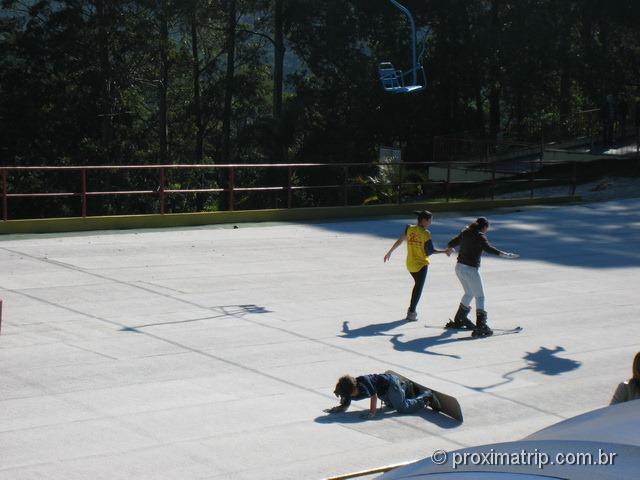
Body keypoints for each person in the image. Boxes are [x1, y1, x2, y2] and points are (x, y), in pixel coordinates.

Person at [444, 217, 515, 337]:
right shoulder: (480, 235)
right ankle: (481, 326)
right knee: (480, 296)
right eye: (487, 228)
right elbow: (488, 248)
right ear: (484, 227)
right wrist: (505, 254)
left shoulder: (465, 232)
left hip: (459, 268)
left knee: (469, 293)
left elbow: (452, 242)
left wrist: (449, 248)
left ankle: (459, 319)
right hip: (470, 270)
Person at [384, 210, 447, 321]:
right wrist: (445, 251)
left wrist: (390, 252)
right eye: (430, 221)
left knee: (417, 286)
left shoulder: (409, 228)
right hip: (421, 265)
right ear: (423, 220)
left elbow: (399, 241)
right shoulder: (426, 233)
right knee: (418, 288)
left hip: (410, 264)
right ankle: (411, 312)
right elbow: (430, 252)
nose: (430, 223)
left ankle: (412, 311)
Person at [324, 372, 440, 418]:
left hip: (390, 384)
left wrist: (372, 413)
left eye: (353, 393)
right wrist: (337, 409)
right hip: (384, 393)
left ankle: (427, 397)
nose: (352, 395)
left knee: (402, 408)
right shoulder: (347, 391)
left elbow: (373, 396)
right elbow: (345, 403)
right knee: (391, 405)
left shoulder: (364, 382)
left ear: (355, 387)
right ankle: (406, 387)